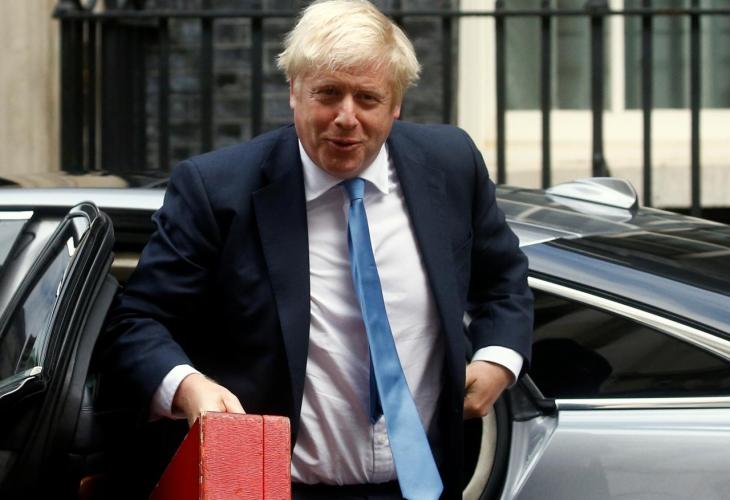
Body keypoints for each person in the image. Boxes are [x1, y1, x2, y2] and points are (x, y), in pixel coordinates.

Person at [102, 0, 533, 498]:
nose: (346, 118)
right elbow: (136, 322)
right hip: (274, 488)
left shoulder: (451, 164)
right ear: (294, 92)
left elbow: (503, 280)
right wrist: (187, 386)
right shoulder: (217, 190)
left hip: (424, 486)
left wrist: (498, 358)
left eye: (367, 98)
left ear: (396, 104)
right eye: (328, 93)